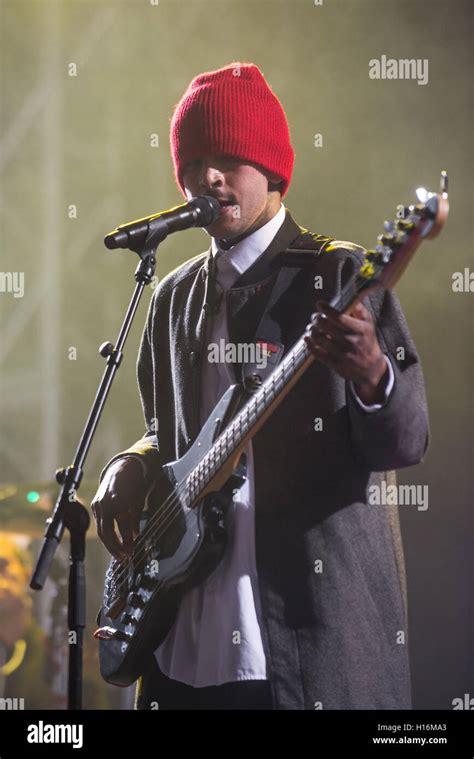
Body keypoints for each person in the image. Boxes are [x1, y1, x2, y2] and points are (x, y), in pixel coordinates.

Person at [91, 62, 429, 710]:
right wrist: (128, 464)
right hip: (183, 644)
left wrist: (373, 375)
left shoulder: (339, 274)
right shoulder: (171, 297)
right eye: (192, 163)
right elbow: (167, 436)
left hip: (299, 647)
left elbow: (406, 437)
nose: (206, 177)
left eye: (227, 156)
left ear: (272, 167)